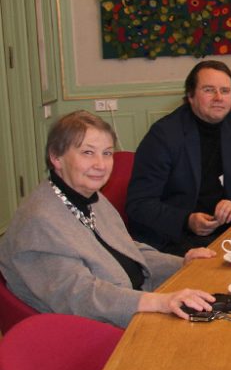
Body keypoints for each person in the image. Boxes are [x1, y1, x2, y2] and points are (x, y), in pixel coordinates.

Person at [0, 111, 215, 328]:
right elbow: (81, 297)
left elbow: (127, 250)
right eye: (87, 152)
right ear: (56, 157)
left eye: (107, 153)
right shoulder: (39, 221)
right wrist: (158, 302)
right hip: (87, 334)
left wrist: (184, 264)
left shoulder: (90, 198)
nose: (101, 164)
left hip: (132, 309)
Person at [127, 60, 231, 255]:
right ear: (190, 95)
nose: (218, 97)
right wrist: (186, 220)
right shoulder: (164, 135)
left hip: (229, 230)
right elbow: (139, 204)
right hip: (178, 237)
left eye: (225, 91)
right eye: (209, 90)